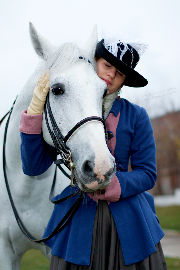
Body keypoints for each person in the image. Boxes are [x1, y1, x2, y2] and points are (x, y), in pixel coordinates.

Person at [19, 38, 167, 270]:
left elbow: (148, 174)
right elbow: (33, 166)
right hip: (80, 221)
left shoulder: (136, 115)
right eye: (107, 65)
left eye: (119, 73)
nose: (110, 75)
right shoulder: (67, 109)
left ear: (124, 81)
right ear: (95, 62)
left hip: (127, 223)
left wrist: (115, 185)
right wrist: (34, 112)